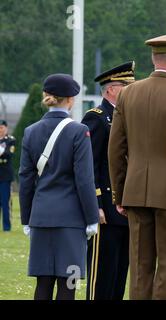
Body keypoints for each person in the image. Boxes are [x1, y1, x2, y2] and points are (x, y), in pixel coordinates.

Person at [108, 33, 166, 300]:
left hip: (136, 192)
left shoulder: (128, 94)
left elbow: (116, 149)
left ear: (154, 58)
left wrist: (119, 193)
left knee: (140, 268)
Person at [19, 74, 99, 300]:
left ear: (47, 97)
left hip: (41, 216)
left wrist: (26, 218)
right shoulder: (78, 131)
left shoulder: (30, 131)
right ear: (71, 100)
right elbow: (84, 180)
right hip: (71, 219)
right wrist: (92, 218)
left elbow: (25, 179)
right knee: (68, 283)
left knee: (42, 283)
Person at [82, 61, 135, 300]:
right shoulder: (97, 118)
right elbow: (88, 165)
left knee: (119, 274)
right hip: (105, 208)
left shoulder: (128, 117)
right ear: (112, 89)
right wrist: (97, 205)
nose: (132, 90)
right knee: (101, 275)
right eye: (127, 85)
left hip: (127, 207)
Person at [0, 120, 15, 232]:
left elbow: (9, 154)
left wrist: (2, 152)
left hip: (5, 175)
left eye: (1, 127)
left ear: (6, 128)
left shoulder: (10, 140)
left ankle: (6, 227)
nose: (0, 130)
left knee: (5, 202)